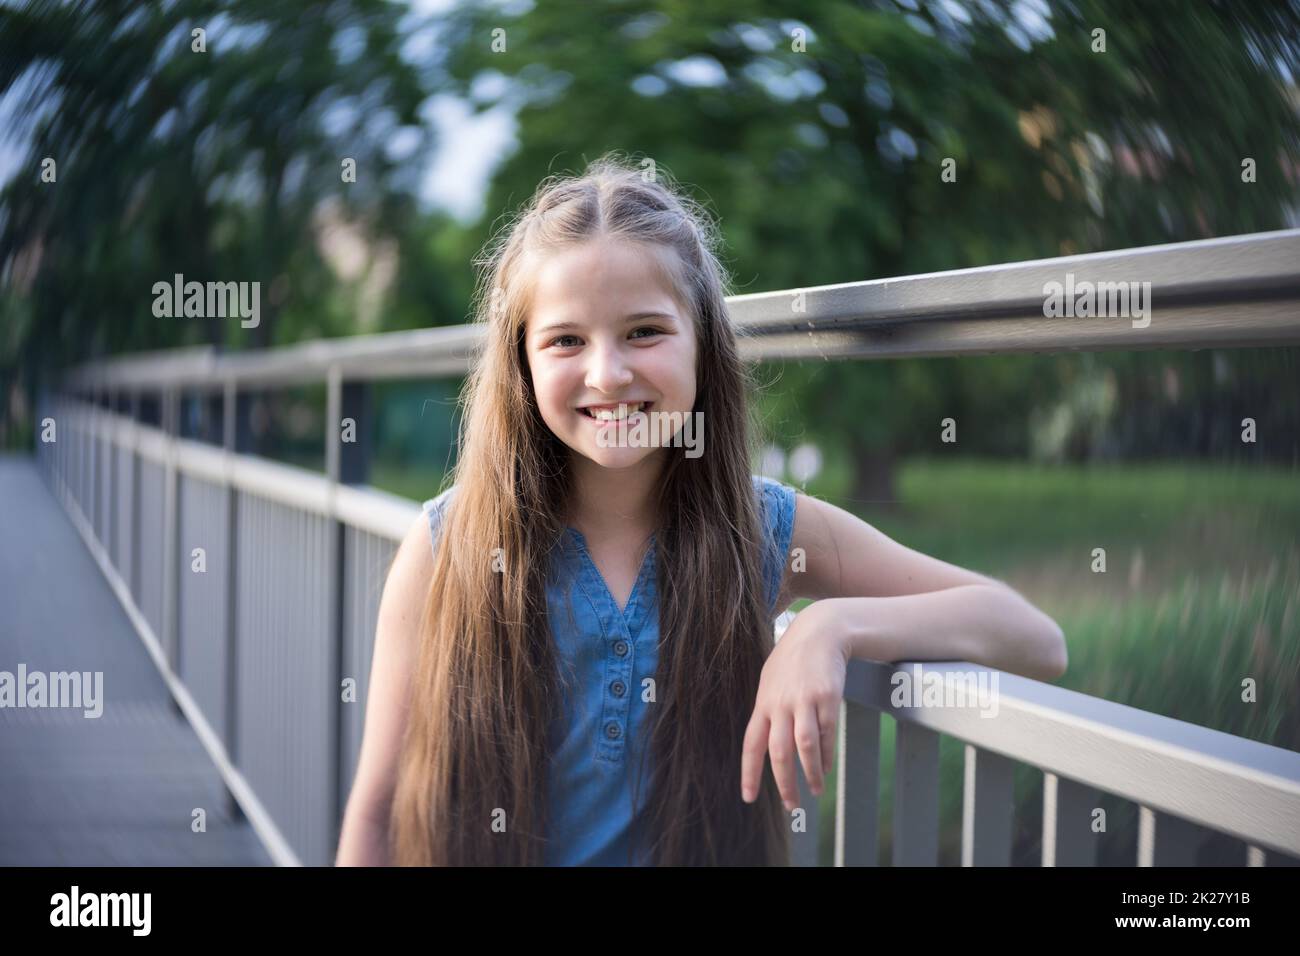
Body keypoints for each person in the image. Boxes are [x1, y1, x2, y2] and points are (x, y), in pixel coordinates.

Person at [335, 153, 1067, 867]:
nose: (608, 373)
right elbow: (376, 810)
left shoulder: (765, 533)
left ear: (702, 343)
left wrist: (831, 626)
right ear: (522, 362)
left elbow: (1032, 636)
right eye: (565, 340)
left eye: (644, 331)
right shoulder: (444, 548)